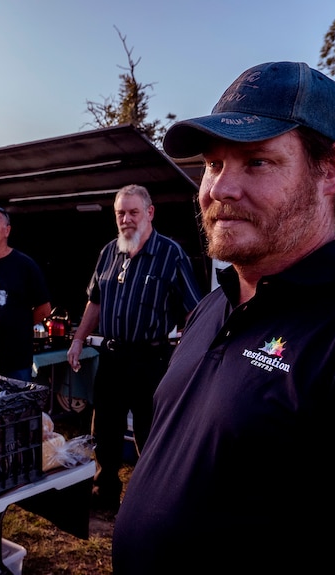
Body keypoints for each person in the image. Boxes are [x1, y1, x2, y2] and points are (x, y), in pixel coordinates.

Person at [112, 61, 335, 574]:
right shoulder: (214, 304)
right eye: (214, 165)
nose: (220, 189)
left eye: (257, 162)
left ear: (333, 168)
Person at [66, 184, 203, 510]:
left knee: (150, 432)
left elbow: (194, 310)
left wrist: (190, 355)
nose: (126, 219)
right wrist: (77, 339)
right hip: (112, 357)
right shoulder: (109, 251)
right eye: (120, 213)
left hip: (151, 359)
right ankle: (105, 494)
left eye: (133, 212)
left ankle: (152, 500)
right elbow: (94, 301)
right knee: (106, 431)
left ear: (150, 213)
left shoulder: (170, 254)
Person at [0, 206, 51, 381]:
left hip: (15, 359)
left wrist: (20, 326)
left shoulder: (25, 265)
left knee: (15, 406)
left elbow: (44, 308)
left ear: (7, 231)